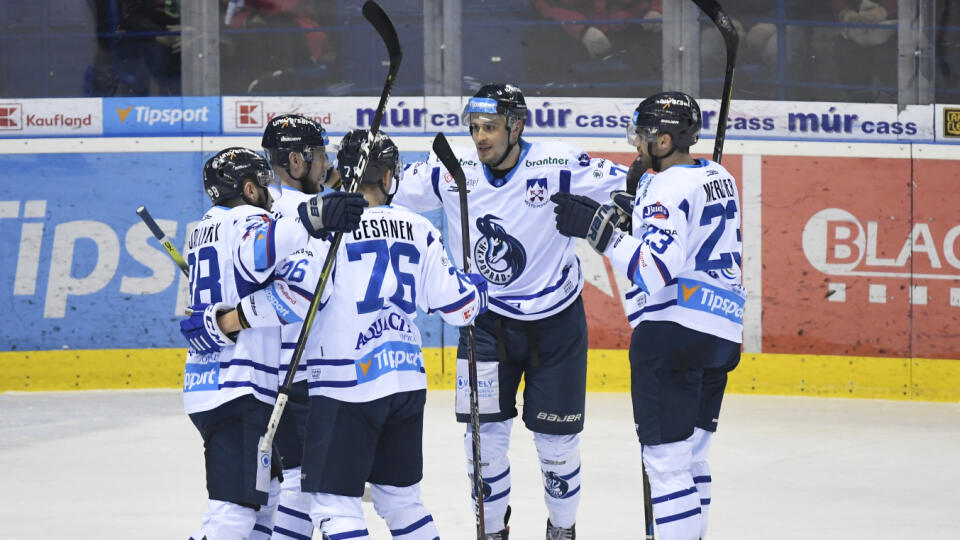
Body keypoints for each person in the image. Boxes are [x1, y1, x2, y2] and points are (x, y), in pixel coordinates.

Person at [186, 130, 489, 539]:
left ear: (344, 172)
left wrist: (225, 321)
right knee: (401, 501)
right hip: (406, 383)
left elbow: (293, 298)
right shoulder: (419, 227)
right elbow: (460, 307)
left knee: (331, 505)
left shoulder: (326, 231)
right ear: (388, 178)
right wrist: (478, 288)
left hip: (341, 385)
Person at [392, 83, 627, 539]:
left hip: (556, 326)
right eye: (475, 128)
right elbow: (387, 189)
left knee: (557, 446)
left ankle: (562, 531)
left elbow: (633, 184)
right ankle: (493, 533)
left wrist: (631, 205)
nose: (480, 137)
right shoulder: (452, 170)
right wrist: (362, 168)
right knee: (484, 446)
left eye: (491, 127)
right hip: (483, 326)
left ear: (516, 126)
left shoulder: (556, 164)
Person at [551, 92, 744, 540]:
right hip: (721, 333)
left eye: (642, 136)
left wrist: (599, 232)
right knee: (693, 458)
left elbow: (655, 270)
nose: (635, 145)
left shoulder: (664, 186)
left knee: (666, 466)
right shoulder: (720, 176)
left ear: (662, 140)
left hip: (673, 335)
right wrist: (633, 215)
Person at [179, 146, 367, 540]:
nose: (270, 196)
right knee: (232, 513)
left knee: (268, 500)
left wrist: (223, 321)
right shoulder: (247, 219)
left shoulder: (200, 231)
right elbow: (265, 248)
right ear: (249, 189)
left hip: (205, 387)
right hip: (239, 388)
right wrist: (315, 216)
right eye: (264, 186)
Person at [259, 113, 339, 539]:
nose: (326, 165)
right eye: (320, 155)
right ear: (295, 160)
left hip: (260, 374)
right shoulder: (309, 215)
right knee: (303, 484)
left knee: (266, 490)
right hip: (300, 375)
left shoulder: (257, 209)